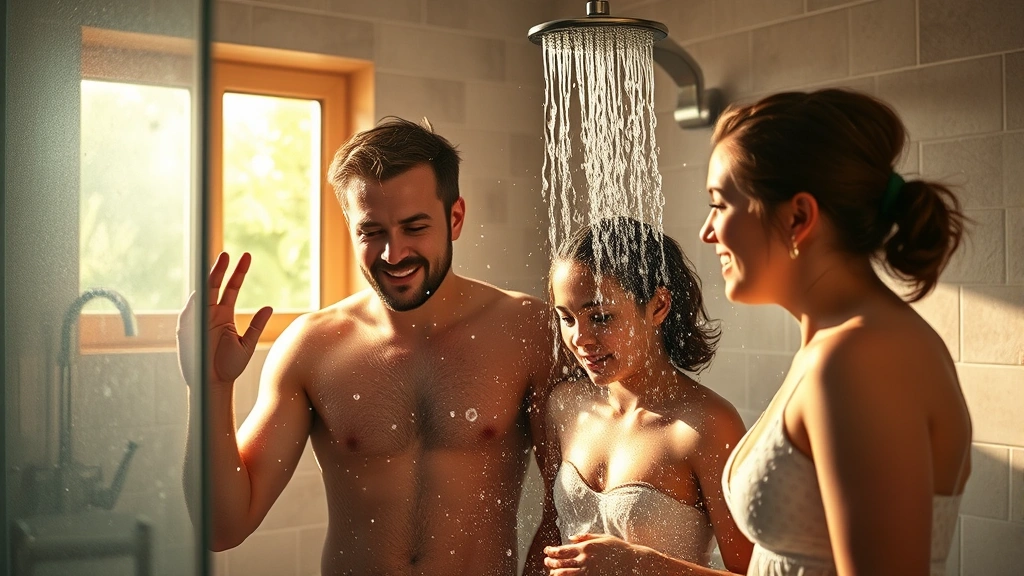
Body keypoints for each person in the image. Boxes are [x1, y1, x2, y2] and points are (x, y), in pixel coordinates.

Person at [177, 117, 565, 576]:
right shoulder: (313, 346)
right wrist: (210, 387)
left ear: (455, 218)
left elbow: (567, 510)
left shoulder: (530, 332)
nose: (392, 254)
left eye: (414, 227)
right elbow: (223, 527)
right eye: (371, 232)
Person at [700, 89, 972, 575]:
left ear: (798, 217)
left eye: (720, 204)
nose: (708, 231)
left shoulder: (861, 358)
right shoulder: (831, 347)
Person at [530, 216, 753, 575]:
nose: (580, 339)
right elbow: (549, 533)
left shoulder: (706, 426)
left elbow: (759, 573)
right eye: (567, 318)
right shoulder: (567, 405)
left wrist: (640, 563)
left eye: (600, 317)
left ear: (658, 306)